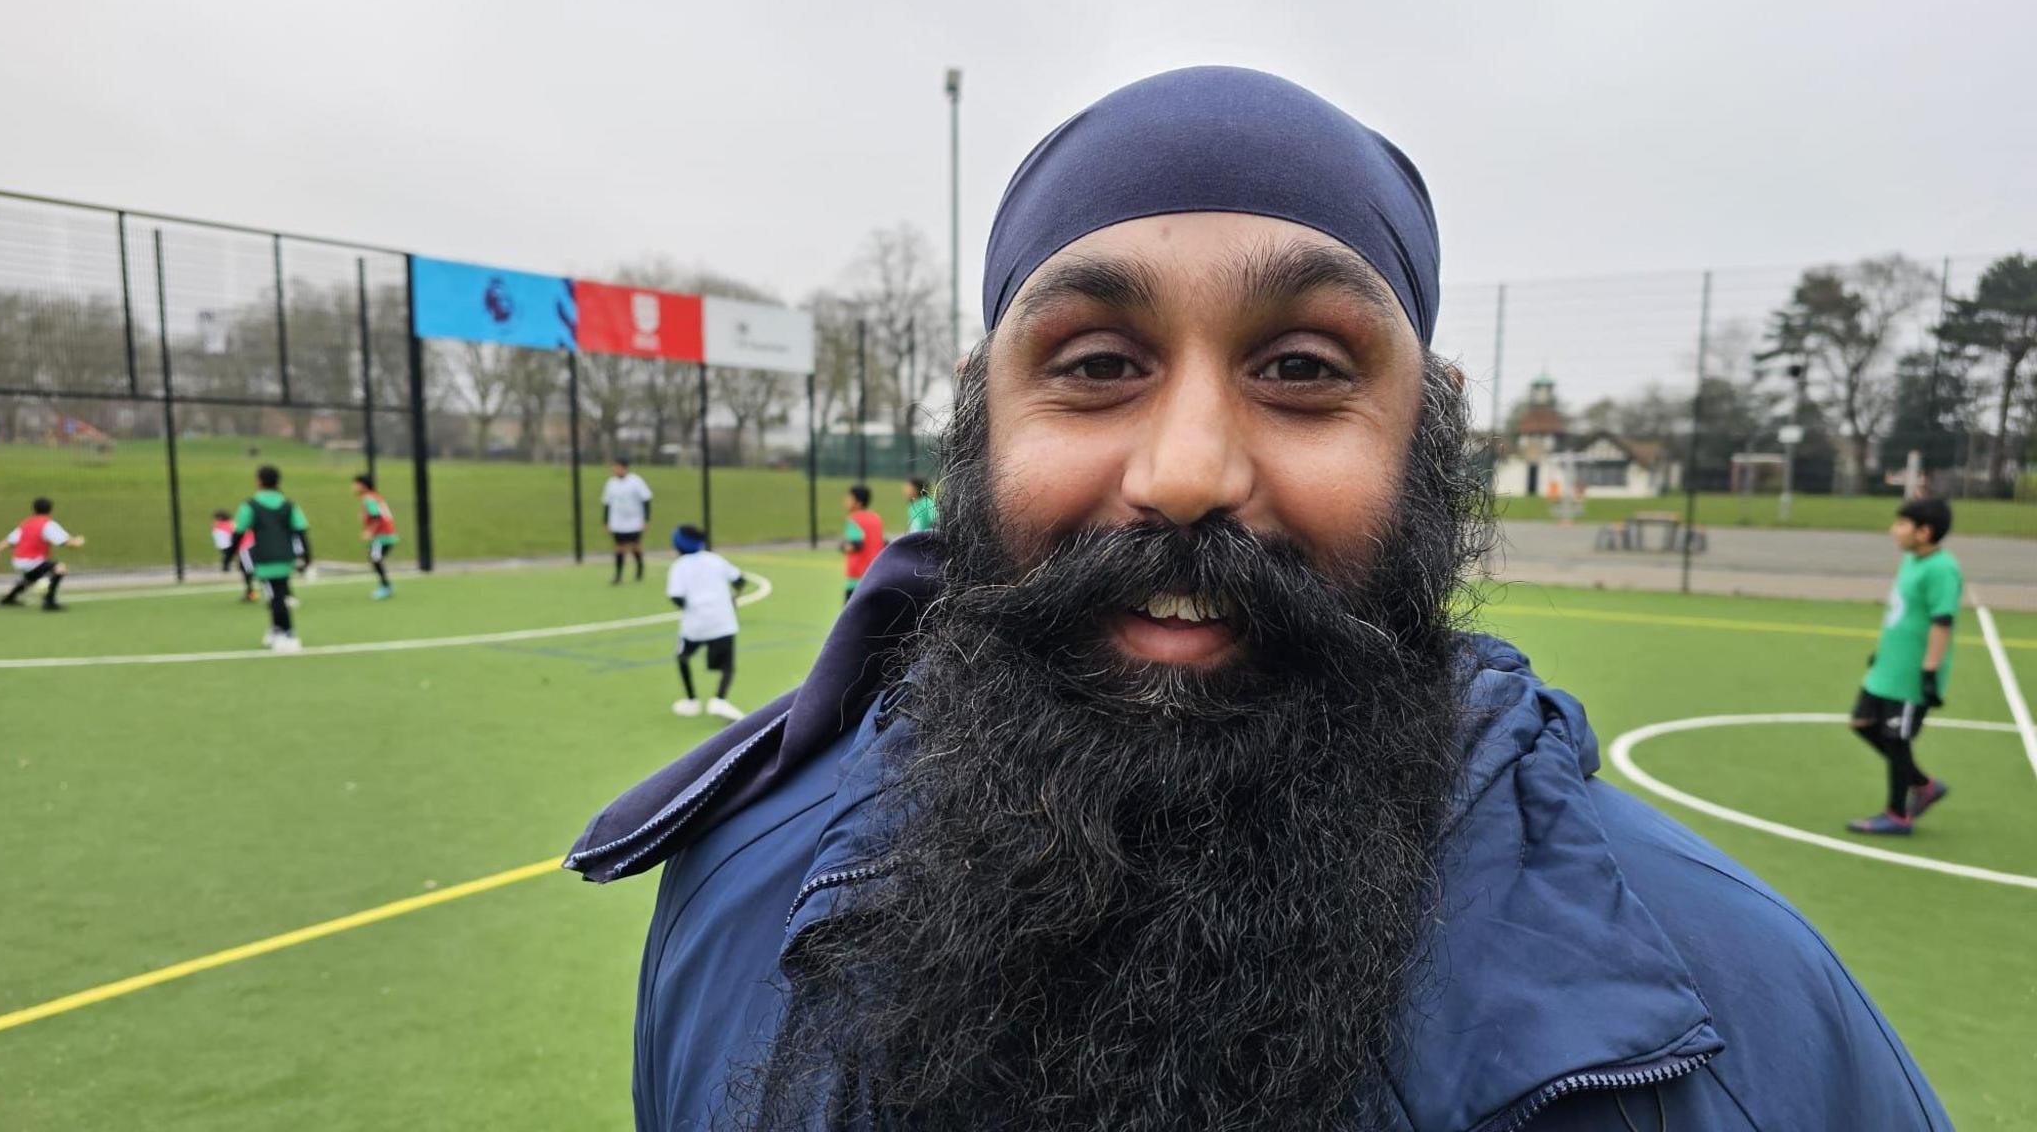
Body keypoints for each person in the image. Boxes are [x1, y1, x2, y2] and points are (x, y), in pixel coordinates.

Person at [569, 68, 1947, 1131]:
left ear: (1428, 435)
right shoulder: (740, 902)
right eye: (1099, 362)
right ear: (980, 424)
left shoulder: (1733, 1027)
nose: (1185, 474)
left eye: (1299, 367)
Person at [1846, 497, 1963, 836]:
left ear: (1924, 532)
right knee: (1862, 722)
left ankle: (1898, 815)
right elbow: (1905, 615)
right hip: (1887, 669)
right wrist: (1881, 653)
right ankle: (1924, 784)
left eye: (1901, 524)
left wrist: (1929, 673)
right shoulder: (1911, 560)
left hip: (1911, 677)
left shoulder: (1942, 569)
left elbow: (1942, 623)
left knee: (1896, 741)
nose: (1893, 530)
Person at [666, 524, 747, 721]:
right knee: (728, 666)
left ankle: (692, 701)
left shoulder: (679, 566)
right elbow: (739, 580)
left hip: (695, 624)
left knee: (682, 656)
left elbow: (676, 597)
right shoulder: (715, 560)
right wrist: (734, 597)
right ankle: (719, 698)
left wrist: (690, 606)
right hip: (723, 621)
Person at [233, 465, 311, 653]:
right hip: (285, 558)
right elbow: (301, 531)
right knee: (279, 595)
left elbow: (238, 532)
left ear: (259, 481)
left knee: (274, 598)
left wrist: (228, 556)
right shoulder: (289, 505)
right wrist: (307, 557)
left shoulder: (250, 505)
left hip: (265, 558)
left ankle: (287, 634)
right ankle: (277, 630)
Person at [0, 497, 84, 611]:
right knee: (60, 568)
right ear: (51, 510)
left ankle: (8, 598)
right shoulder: (48, 524)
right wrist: (78, 542)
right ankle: (49, 602)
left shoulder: (26, 523)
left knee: (31, 577)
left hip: (18, 560)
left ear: (34, 510)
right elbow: (66, 542)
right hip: (32, 561)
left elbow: (10, 540)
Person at [602, 457, 653, 585]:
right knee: (619, 548)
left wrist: (646, 519)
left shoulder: (636, 481)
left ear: (624, 468)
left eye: (618, 467)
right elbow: (606, 503)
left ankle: (639, 569)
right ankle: (618, 576)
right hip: (617, 521)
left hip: (634, 520)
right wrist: (606, 521)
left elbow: (646, 499)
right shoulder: (611, 483)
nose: (615, 469)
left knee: (635, 546)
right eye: (614, 467)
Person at [353, 474, 398, 600]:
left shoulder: (368, 498)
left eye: (355, 484)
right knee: (375, 559)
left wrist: (370, 531)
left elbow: (376, 517)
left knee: (375, 559)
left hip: (382, 535)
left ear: (362, 485)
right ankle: (386, 586)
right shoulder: (374, 497)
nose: (353, 487)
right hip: (386, 534)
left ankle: (386, 587)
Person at [838, 483, 883, 603]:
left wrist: (842, 546)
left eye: (849, 497)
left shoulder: (854, 519)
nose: (846, 500)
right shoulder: (876, 518)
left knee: (849, 618)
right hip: (874, 576)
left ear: (858, 502)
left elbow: (855, 545)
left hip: (856, 579)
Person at [213, 509, 257, 602]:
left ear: (219, 518)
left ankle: (252, 593)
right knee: (248, 570)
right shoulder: (233, 523)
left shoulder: (220, 527)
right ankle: (251, 593)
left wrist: (227, 560)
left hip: (245, 548)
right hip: (253, 545)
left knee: (250, 571)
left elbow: (224, 545)